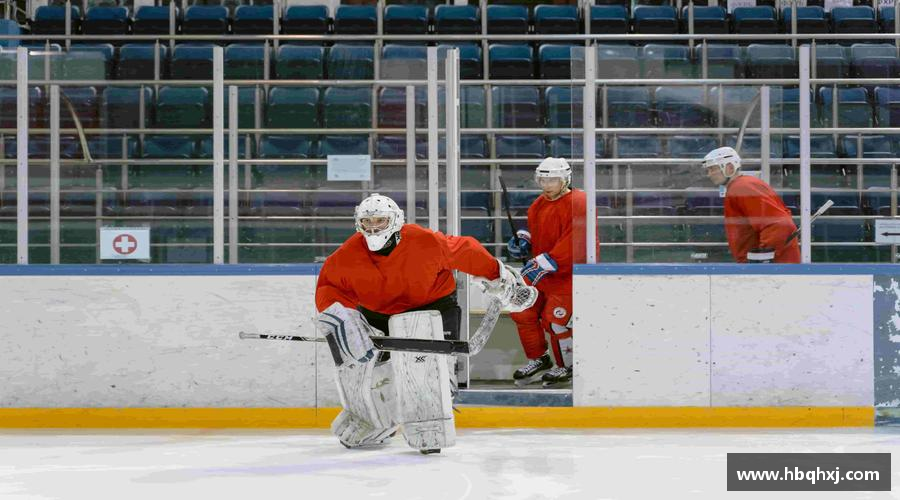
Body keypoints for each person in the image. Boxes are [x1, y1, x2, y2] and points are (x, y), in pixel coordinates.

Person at [315, 193, 530, 453]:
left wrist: (498, 276)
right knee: (368, 370)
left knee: (428, 370)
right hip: (377, 314)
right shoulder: (347, 254)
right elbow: (330, 288)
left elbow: (465, 250)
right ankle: (373, 421)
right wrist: (347, 320)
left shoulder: (424, 240)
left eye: (380, 221)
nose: (372, 228)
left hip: (433, 307)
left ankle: (430, 419)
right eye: (366, 222)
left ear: (396, 221)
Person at [506, 157, 599, 387]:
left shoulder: (579, 201)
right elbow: (542, 237)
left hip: (570, 274)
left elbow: (577, 241)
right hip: (546, 272)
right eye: (543, 180)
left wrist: (547, 261)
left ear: (565, 179)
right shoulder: (537, 205)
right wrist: (525, 241)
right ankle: (539, 359)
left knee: (555, 320)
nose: (547, 185)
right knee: (521, 309)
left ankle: (567, 366)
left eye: (553, 180)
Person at [702, 146, 800, 264]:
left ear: (729, 167)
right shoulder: (741, 186)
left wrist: (762, 258)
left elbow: (779, 225)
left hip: (773, 268)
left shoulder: (743, 187)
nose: (709, 174)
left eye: (712, 169)